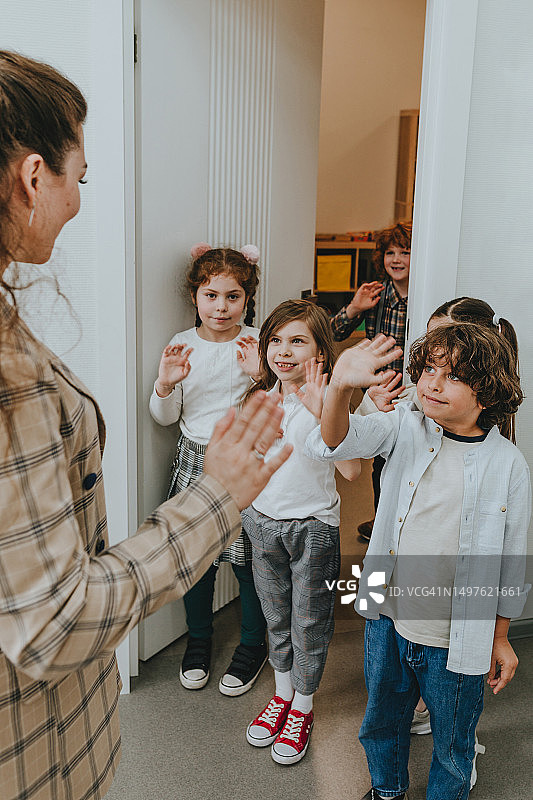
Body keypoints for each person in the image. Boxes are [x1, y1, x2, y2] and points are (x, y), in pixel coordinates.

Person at [0, 50, 292, 800]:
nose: (77, 201)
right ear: (35, 178)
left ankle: (248, 647)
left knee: (249, 573)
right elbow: (51, 623)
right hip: (36, 764)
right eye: (80, 178)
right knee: (213, 572)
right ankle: (201, 641)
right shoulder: (13, 381)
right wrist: (213, 491)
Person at [309, 327, 530, 800]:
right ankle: (387, 790)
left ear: (486, 390)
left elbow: (513, 559)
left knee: (454, 742)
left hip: (454, 632)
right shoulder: (404, 426)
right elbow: (335, 441)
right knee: (381, 720)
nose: (432, 383)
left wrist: (501, 636)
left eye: (452, 376)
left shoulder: (508, 464)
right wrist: (340, 386)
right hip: (385, 614)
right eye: (429, 369)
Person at [241, 300, 361, 765]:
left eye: (298, 341)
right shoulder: (258, 397)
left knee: (308, 622)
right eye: (275, 340)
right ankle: (281, 695)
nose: (284, 351)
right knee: (275, 615)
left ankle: (303, 708)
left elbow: (351, 470)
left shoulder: (331, 397)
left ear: (319, 352)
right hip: (261, 522)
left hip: (312, 527)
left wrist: (322, 409)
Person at [149, 243, 268, 696]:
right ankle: (198, 639)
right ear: (195, 297)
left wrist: (262, 376)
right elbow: (164, 416)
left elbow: (282, 412)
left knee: (248, 561)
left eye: (232, 296)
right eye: (211, 295)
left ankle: (252, 644)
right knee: (197, 562)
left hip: (245, 462)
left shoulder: (258, 342)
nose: (221, 306)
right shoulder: (182, 345)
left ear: (247, 298)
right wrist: (165, 383)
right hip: (195, 462)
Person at [330, 222, 411, 541]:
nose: (397, 259)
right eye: (390, 252)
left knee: (409, 457)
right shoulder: (376, 295)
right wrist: (354, 307)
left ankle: (403, 526)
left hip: (412, 394)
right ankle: (382, 523)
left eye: (405, 252)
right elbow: (334, 333)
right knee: (380, 462)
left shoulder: (425, 291)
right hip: (378, 396)